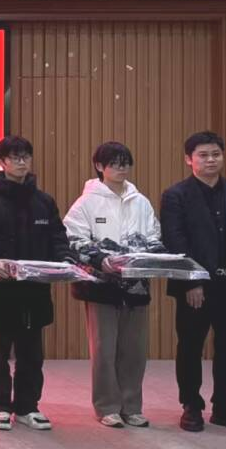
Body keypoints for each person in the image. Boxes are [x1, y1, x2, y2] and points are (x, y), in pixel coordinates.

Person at [0, 135, 75, 431]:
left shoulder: (43, 201)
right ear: (2, 162)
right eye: (14, 157)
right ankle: (0, 405)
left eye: (25, 156)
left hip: (35, 290)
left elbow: (57, 238)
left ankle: (27, 406)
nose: (21, 162)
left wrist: (65, 260)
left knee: (32, 354)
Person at [161, 131, 226, 434]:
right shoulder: (176, 195)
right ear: (189, 159)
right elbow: (175, 242)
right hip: (196, 286)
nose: (211, 160)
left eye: (216, 154)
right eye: (203, 155)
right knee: (190, 346)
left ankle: (225, 407)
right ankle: (191, 405)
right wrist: (192, 282)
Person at [63, 142, 159, 429]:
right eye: (114, 163)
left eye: (125, 163)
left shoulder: (140, 201)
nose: (121, 168)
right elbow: (73, 239)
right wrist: (101, 259)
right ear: (99, 166)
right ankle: (107, 406)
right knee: (104, 349)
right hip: (100, 286)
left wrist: (153, 254)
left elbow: (154, 236)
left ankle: (132, 406)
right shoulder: (86, 202)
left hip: (136, 285)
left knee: (134, 350)